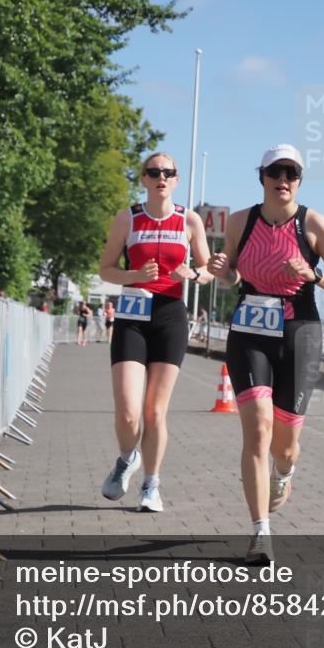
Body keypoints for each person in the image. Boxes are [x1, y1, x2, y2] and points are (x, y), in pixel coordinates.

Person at [208, 144, 324, 563]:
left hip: (298, 332)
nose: (284, 180)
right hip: (250, 330)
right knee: (258, 428)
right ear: (262, 177)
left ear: (299, 180)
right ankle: (260, 532)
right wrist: (223, 272)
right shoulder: (241, 221)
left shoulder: (313, 224)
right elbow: (232, 275)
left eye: (292, 174)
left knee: (285, 445)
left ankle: (284, 473)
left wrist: (314, 275)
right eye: (276, 172)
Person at [97, 152, 212, 512]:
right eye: (153, 171)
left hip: (170, 316)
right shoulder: (127, 218)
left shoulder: (189, 220)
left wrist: (193, 273)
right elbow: (105, 269)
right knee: (128, 412)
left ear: (176, 180)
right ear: (143, 179)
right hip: (132, 314)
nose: (161, 177)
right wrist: (134, 275)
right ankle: (126, 459)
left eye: (168, 172)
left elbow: (208, 268)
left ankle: (151, 485)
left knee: (155, 411)